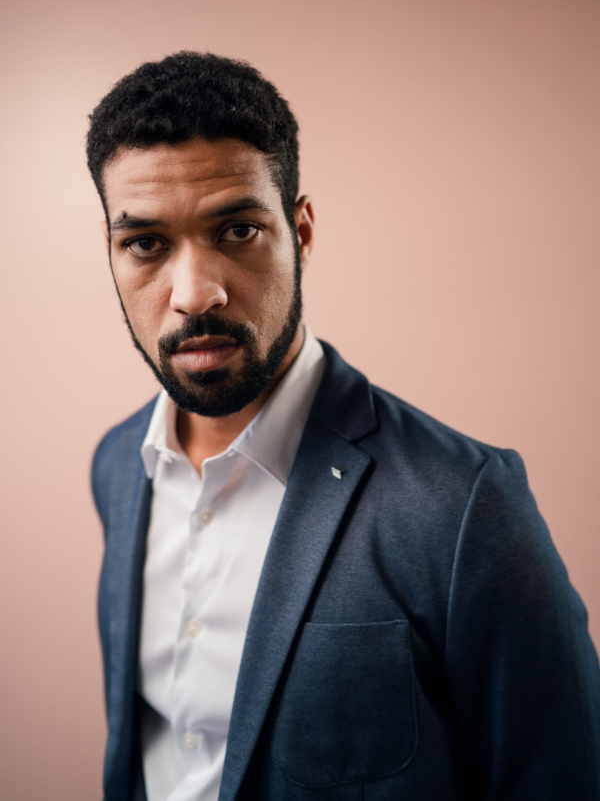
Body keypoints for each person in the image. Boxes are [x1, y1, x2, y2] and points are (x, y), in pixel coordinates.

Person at [87, 51, 600, 801]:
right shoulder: (116, 468)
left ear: (301, 231)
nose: (195, 293)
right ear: (111, 252)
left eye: (236, 231)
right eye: (146, 244)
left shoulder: (463, 506)